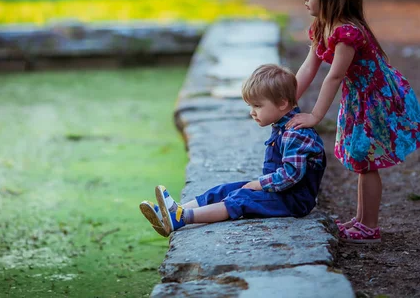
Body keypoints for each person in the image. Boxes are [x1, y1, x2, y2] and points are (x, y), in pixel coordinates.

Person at [286, 0, 420, 243]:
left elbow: (334, 77)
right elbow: (307, 69)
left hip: (376, 100)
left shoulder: (347, 33)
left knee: (367, 162)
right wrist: (287, 103)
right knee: (362, 161)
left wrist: (314, 116)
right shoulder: (320, 28)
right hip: (359, 98)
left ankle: (370, 225)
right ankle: (362, 220)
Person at [139, 64, 327, 237]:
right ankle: (174, 210)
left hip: (294, 201)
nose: (252, 112)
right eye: (250, 106)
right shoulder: (281, 124)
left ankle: (182, 218)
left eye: (258, 106)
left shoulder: (296, 133)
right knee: (226, 189)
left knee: (241, 199)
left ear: (282, 104)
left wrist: (259, 184)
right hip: (280, 193)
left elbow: (291, 175)